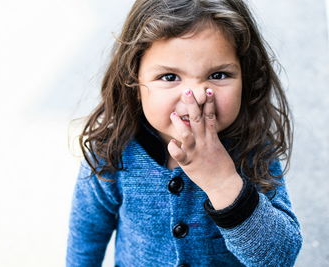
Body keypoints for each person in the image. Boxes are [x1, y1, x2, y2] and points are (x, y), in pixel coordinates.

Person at [66, 0, 302, 266]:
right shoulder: (111, 153)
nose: (197, 96)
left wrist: (223, 182)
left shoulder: (253, 148)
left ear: (245, 77)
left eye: (219, 74)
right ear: (133, 81)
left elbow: (280, 258)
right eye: (169, 77)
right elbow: (86, 238)